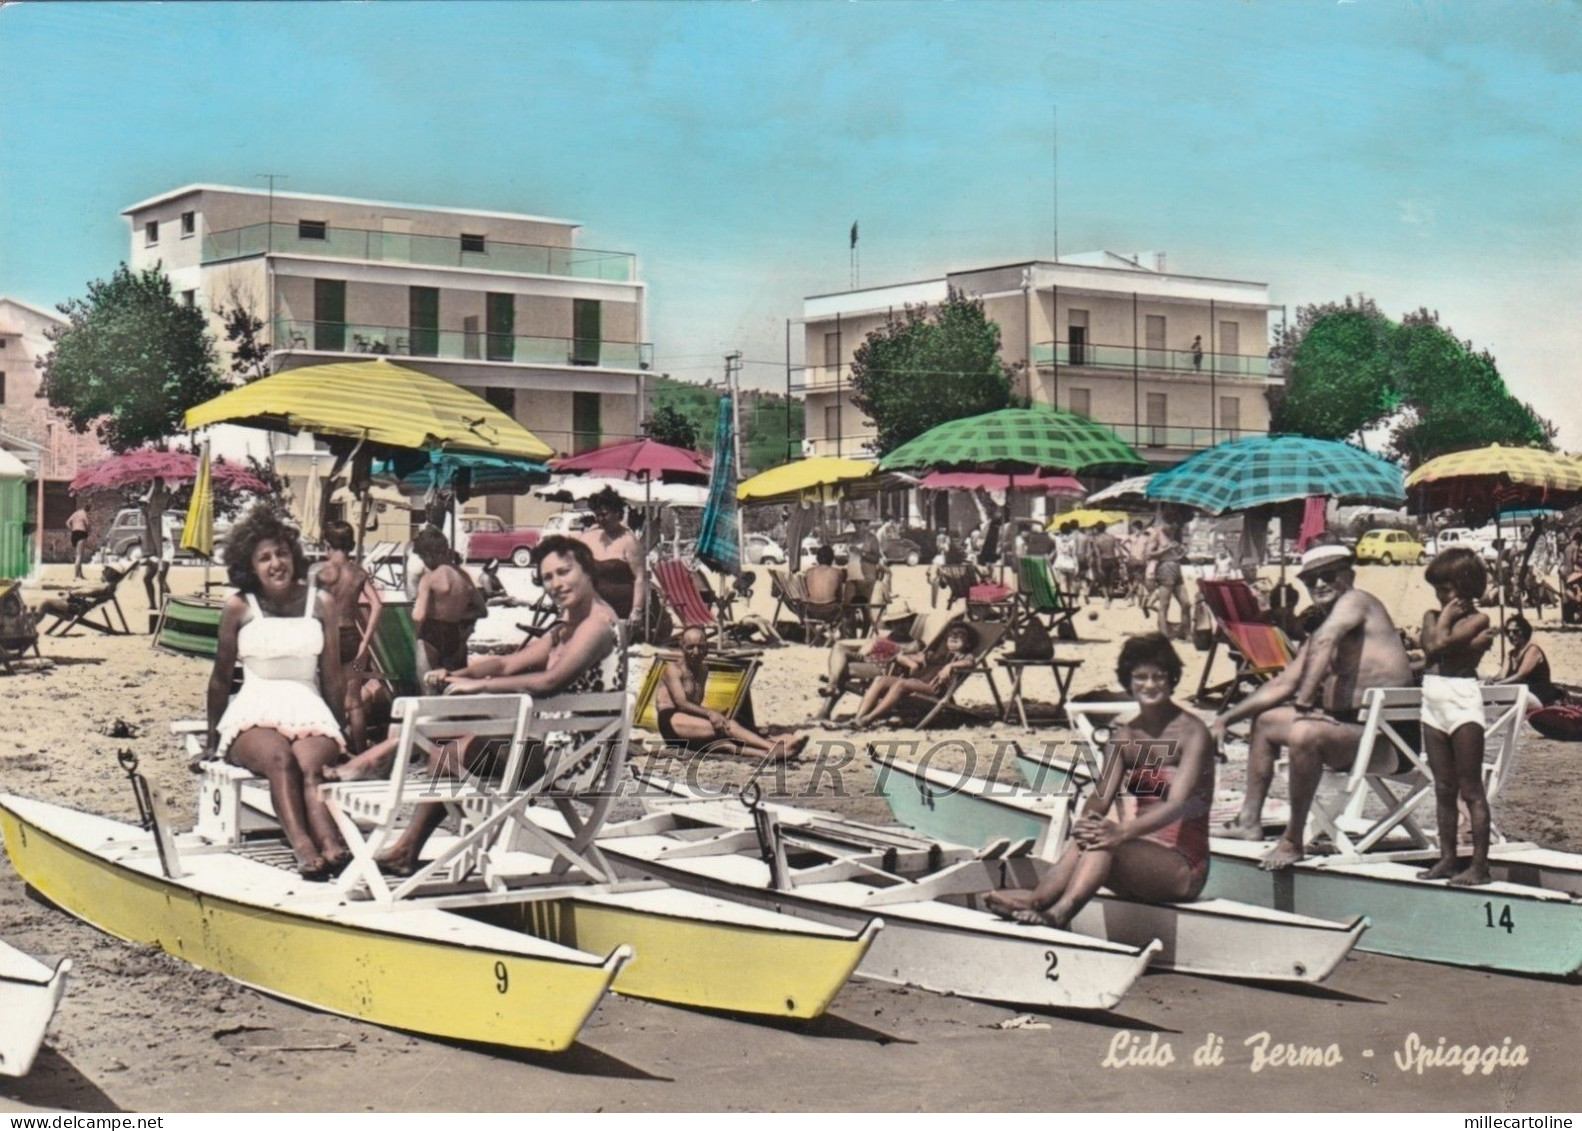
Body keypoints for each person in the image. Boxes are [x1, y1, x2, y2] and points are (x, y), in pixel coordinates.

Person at [326, 535, 623, 875]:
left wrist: (478, 686)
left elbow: (548, 681)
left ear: (587, 571)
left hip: (575, 761)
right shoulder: (567, 629)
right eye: (548, 577)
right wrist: (457, 674)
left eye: (564, 572)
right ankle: (404, 833)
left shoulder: (596, 625)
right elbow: (507, 664)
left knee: (446, 751)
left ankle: (387, 777)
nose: (556, 583)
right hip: (559, 748)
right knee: (446, 746)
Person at [985, 634, 1214, 927]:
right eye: (1140, 677)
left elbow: (1177, 805)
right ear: (1128, 682)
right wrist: (1087, 820)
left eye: (1159, 677)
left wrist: (1120, 832)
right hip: (1136, 851)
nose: (1150, 685)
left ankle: (1059, 913)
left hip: (1182, 865)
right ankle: (1039, 900)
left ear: (1172, 680)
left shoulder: (1191, 732)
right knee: (1093, 833)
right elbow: (1101, 796)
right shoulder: (1125, 737)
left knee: (1106, 842)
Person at [1213, 543, 1417, 869]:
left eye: (1328, 575)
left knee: (1305, 732)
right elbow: (1282, 684)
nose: (1319, 584)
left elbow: (1322, 647)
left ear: (1348, 575)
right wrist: (1225, 718)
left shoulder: (1357, 602)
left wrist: (1306, 701)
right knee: (1266, 721)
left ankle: (1293, 841)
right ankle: (1248, 821)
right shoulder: (1326, 627)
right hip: (1353, 734)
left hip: (1391, 742)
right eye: (1310, 580)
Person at [202, 505, 348, 880]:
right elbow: (220, 679)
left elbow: (332, 676)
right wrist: (211, 739)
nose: (275, 564)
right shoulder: (238, 607)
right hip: (254, 708)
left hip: (309, 706)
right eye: (263, 558)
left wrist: (346, 734)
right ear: (250, 566)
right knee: (280, 761)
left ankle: (332, 843)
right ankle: (302, 845)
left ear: (293, 556)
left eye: (281, 553)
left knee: (312, 766)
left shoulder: (322, 603)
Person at [1416, 548, 1494, 886]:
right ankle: (1447, 858)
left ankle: (1479, 866)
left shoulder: (1479, 620)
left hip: (1462, 701)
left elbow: (1436, 646)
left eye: (1446, 590)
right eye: (1437, 589)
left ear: (1465, 588)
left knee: (1471, 788)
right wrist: (1445, 624)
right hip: (1432, 702)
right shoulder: (1431, 616)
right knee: (1443, 787)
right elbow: (1434, 646)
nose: (1439, 597)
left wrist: (1445, 621)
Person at [657, 626, 806, 760]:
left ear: (707, 648)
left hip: (688, 720)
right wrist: (711, 713)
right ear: (681, 646)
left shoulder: (702, 669)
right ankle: (771, 747)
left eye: (700, 647)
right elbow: (681, 703)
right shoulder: (672, 670)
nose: (696, 652)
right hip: (671, 722)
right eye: (690, 647)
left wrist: (716, 714)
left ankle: (764, 754)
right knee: (728, 726)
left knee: (725, 743)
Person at [316, 519, 386, 753]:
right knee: (354, 702)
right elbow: (377, 605)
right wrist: (365, 641)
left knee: (328, 700)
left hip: (326, 640)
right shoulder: (358, 573)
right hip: (352, 639)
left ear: (327, 545)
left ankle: (334, 751)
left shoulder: (320, 572)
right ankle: (360, 752)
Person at [846, 622, 978, 729]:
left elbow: (970, 662)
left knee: (901, 683)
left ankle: (867, 719)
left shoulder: (965, 656)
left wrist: (950, 666)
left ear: (967, 643)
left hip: (932, 688)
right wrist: (910, 662)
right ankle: (857, 718)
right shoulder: (940, 655)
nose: (953, 640)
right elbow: (911, 656)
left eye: (959, 638)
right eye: (950, 638)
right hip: (918, 682)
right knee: (880, 679)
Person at [411, 525, 480, 673]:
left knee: (428, 689)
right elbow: (482, 610)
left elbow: (418, 616)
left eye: (423, 557)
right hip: (455, 634)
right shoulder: (464, 577)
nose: (424, 562)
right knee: (454, 686)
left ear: (429, 554)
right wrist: (458, 614)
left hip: (431, 634)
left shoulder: (429, 579)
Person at [577, 486, 647, 630]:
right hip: (594, 605)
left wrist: (637, 610)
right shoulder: (590, 537)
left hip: (621, 609)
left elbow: (640, 578)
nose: (601, 519)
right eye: (597, 515)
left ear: (617, 513)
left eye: (604, 514)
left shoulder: (629, 541)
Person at [1497, 615, 1566, 707]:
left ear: (1524, 632)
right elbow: (1502, 676)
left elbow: (1520, 675)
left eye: (1515, 631)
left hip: (1538, 696)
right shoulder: (1510, 654)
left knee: (1512, 697)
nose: (1511, 635)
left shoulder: (1533, 650)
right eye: (1508, 632)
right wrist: (1488, 680)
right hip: (1519, 693)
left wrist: (1497, 685)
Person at [1147, 518, 1189, 640]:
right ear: (1164, 522)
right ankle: (1164, 635)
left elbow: (1176, 555)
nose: (1173, 528)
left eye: (1175, 525)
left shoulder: (1171, 535)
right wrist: (1166, 549)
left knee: (1186, 603)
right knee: (1164, 604)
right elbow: (1148, 553)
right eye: (1171, 525)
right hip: (1164, 568)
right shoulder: (1156, 534)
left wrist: (1181, 552)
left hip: (1176, 567)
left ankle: (1186, 633)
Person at [1088, 524, 1123, 607]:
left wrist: (1099, 566)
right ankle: (1110, 599)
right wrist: (1120, 560)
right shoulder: (1112, 537)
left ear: (1097, 529)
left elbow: (1098, 555)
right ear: (1105, 528)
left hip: (1103, 561)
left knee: (1103, 583)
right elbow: (1119, 550)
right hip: (1113, 560)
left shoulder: (1096, 540)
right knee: (1111, 583)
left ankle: (1107, 598)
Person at [1125, 521, 1152, 609]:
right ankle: (1140, 604)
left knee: (1130, 580)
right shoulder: (1146, 538)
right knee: (1140, 582)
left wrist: (1128, 551)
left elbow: (1122, 543)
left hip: (1132, 559)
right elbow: (1149, 550)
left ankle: (1132, 600)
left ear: (1134, 527)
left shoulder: (1131, 537)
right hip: (1142, 560)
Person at [1051, 521, 1081, 595]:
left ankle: (1065, 601)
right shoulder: (1072, 541)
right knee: (1070, 584)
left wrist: (1059, 531)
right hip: (1070, 564)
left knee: (1062, 583)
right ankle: (1072, 601)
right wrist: (1076, 566)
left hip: (1060, 563)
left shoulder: (1057, 539)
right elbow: (1074, 555)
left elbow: (1049, 533)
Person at [66, 500, 91, 581]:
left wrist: (72, 529)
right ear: (87, 508)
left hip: (74, 533)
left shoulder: (76, 513)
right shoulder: (84, 514)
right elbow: (87, 524)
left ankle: (80, 575)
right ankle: (76, 576)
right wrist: (88, 531)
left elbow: (67, 522)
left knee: (78, 554)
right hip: (81, 533)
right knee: (79, 555)